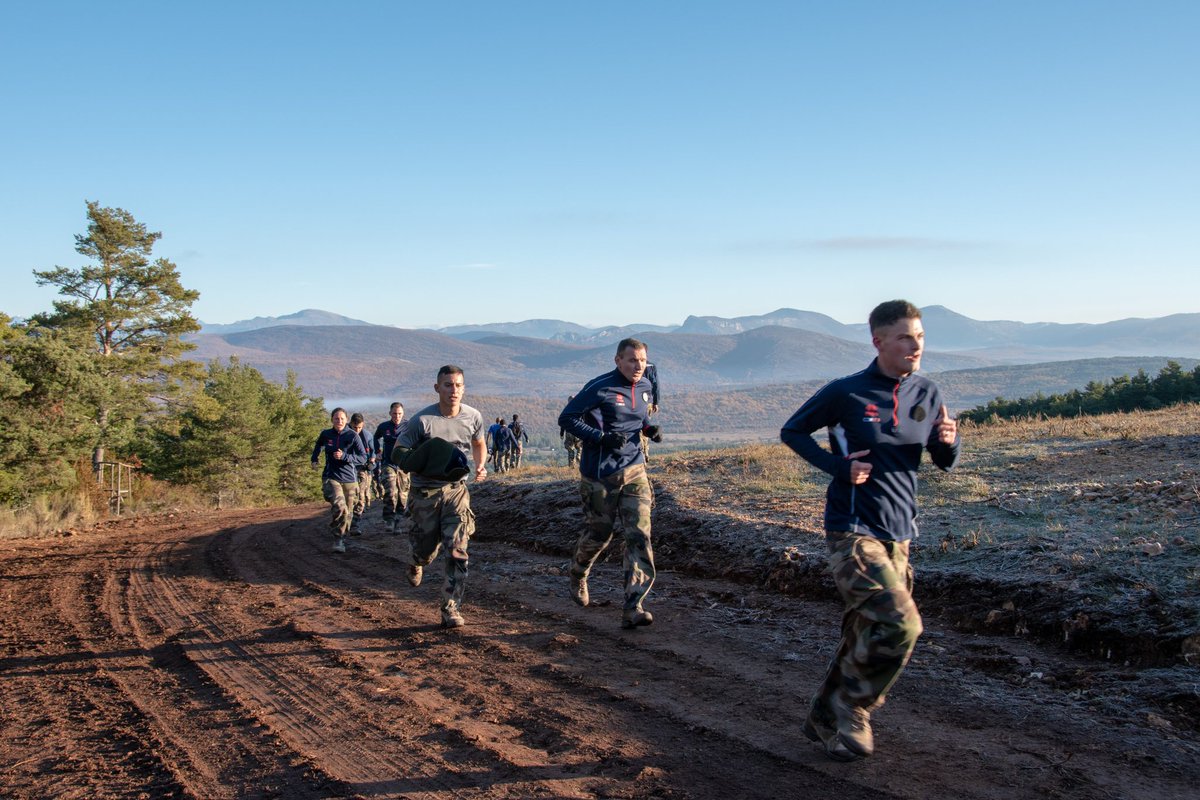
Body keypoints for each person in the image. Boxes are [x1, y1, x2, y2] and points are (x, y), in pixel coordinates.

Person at [780, 300, 960, 762]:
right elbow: (793, 431)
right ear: (878, 341)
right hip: (852, 529)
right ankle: (854, 706)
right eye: (903, 337)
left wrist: (949, 444)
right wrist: (838, 467)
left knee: (865, 631)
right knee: (901, 624)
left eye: (919, 337)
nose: (914, 345)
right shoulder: (847, 392)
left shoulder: (927, 392)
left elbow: (942, 462)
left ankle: (824, 718)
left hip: (899, 533)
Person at [558, 338, 663, 629]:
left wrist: (648, 429)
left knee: (639, 535)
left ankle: (634, 605)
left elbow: (638, 419)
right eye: (632, 360)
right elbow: (567, 418)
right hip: (599, 475)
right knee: (599, 534)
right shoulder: (600, 386)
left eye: (642, 360)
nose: (638, 366)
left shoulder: (645, 386)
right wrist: (601, 438)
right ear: (618, 361)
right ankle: (578, 571)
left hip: (634, 470)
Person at [397, 365, 487, 628]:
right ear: (437, 388)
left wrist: (481, 465)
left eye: (458, 385)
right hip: (425, 494)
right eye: (448, 385)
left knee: (459, 551)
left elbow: (479, 443)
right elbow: (399, 451)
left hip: (456, 492)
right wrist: (420, 462)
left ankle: (451, 608)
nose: (454, 390)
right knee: (426, 551)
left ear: (464, 388)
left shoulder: (473, 417)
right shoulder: (422, 421)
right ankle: (416, 561)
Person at [310, 407, 367, 553]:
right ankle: (338, 540)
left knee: (348, 512)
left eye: (342, 418)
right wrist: (314, 459)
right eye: (336, 418)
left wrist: (345, 457)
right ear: (332, 420)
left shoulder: (353, 436)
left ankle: (341, 532)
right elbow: (318, 446)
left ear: (346, 420)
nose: (339, 421)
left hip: (349, 479)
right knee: (340, 506)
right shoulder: (326, 434)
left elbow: (362, 457)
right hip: (331, 476)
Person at [374, 402, 411, 533]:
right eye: (394, 413)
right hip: (388, 464)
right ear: (390, 413)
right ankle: (389, 519)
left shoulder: (408, 426)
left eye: (399, 413)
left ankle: (398, 521)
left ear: (403, 413)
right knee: (390, 492)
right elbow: (375, 437)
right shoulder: (384, 427)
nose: (397, 416)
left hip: (404, 466)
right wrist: (377, 451)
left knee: (402, 495)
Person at [349, 412, 375, 535]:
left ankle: (355, 523)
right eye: (355, 427)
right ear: (350, 424)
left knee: (360, 496)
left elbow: (373, 451)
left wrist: (372, 459)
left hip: (362, 470)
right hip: (348, 469)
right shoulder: (346, 434)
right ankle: (344, 521)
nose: (357, 430)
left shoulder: (368, 435)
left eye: (359, 427)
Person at [559, 396, 582, 467]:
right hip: (578, 431)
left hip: (569, 432)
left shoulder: (566, 410)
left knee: (570, 448)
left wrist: (562, 433)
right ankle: (579, 456)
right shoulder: (580, 409)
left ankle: (571, 465)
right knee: (580, 447)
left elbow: (563, 423)